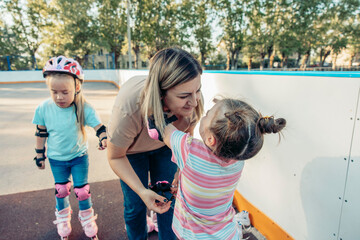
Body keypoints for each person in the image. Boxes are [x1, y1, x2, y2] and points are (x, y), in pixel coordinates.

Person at [148, 97, 286, 240]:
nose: (205, 113)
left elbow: (160, 128)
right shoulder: (239, 159)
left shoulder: (190, 150)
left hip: (192, 235)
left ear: (210, 140)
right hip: (226, 234)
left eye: (207, 113)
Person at [107, 47, 204, 240]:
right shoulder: (129, 106)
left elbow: (186, 136)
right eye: (184, 96)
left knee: (168, 202)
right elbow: (115, 156)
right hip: (130, 152)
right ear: (161, 95)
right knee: (135, 205)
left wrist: (179, 170)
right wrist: (142, 191)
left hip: (165, 147)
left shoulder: (192, 98)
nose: (194, 102)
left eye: (198, 90)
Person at [32, 56, 107, 240]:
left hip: (79, 157)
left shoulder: (83, 107)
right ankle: (63, 218)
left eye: (65, 92)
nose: (59, 97)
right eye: (54, 92)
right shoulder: (43, 108)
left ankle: (87, 219)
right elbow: (41, 134)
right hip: (57, 159)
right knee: (61, 189)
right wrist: (39, 155)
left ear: (77, 87)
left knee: (82, 191)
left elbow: (100, 127)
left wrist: (103, 138)